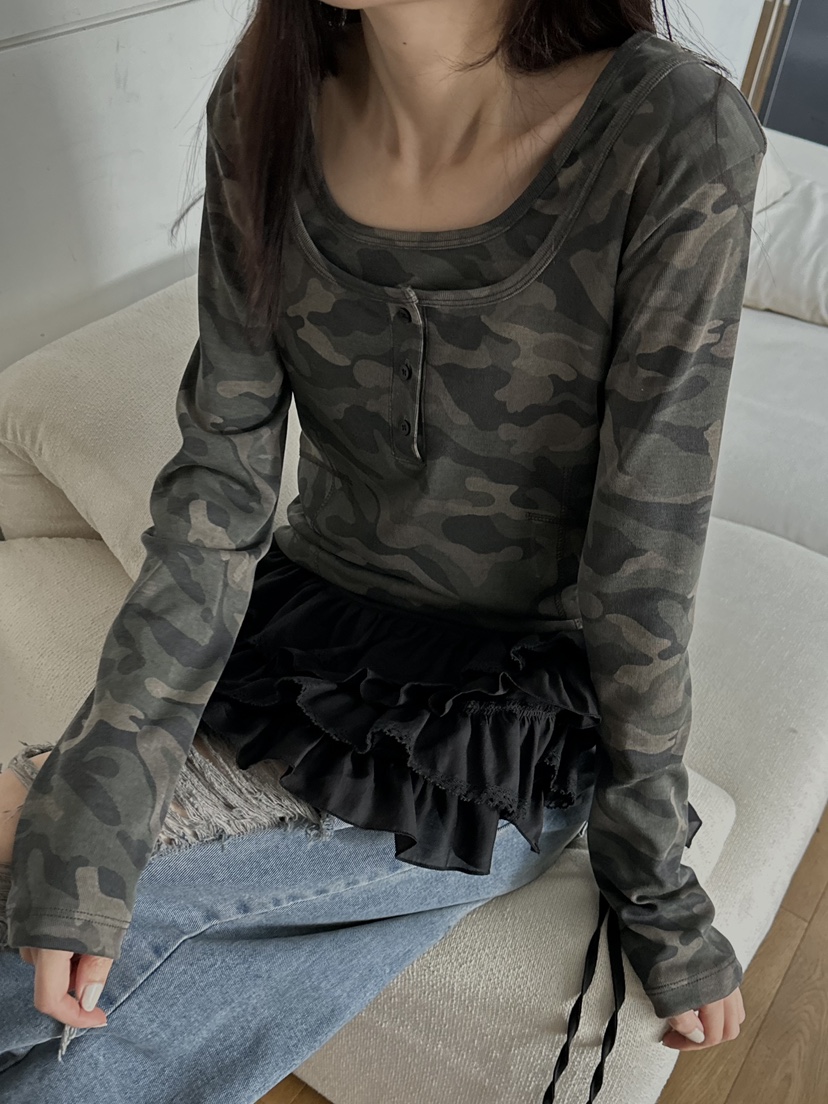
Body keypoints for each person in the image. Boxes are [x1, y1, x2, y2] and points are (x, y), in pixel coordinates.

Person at [0, 1, 761, 1100]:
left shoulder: (674, 131)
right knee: (66, 908)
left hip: (508, 714)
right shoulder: (262, 106)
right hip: (302, 637)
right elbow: (218, 486)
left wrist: (656, 885)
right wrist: (99, 795)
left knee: (43, 890)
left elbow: (646, 559)